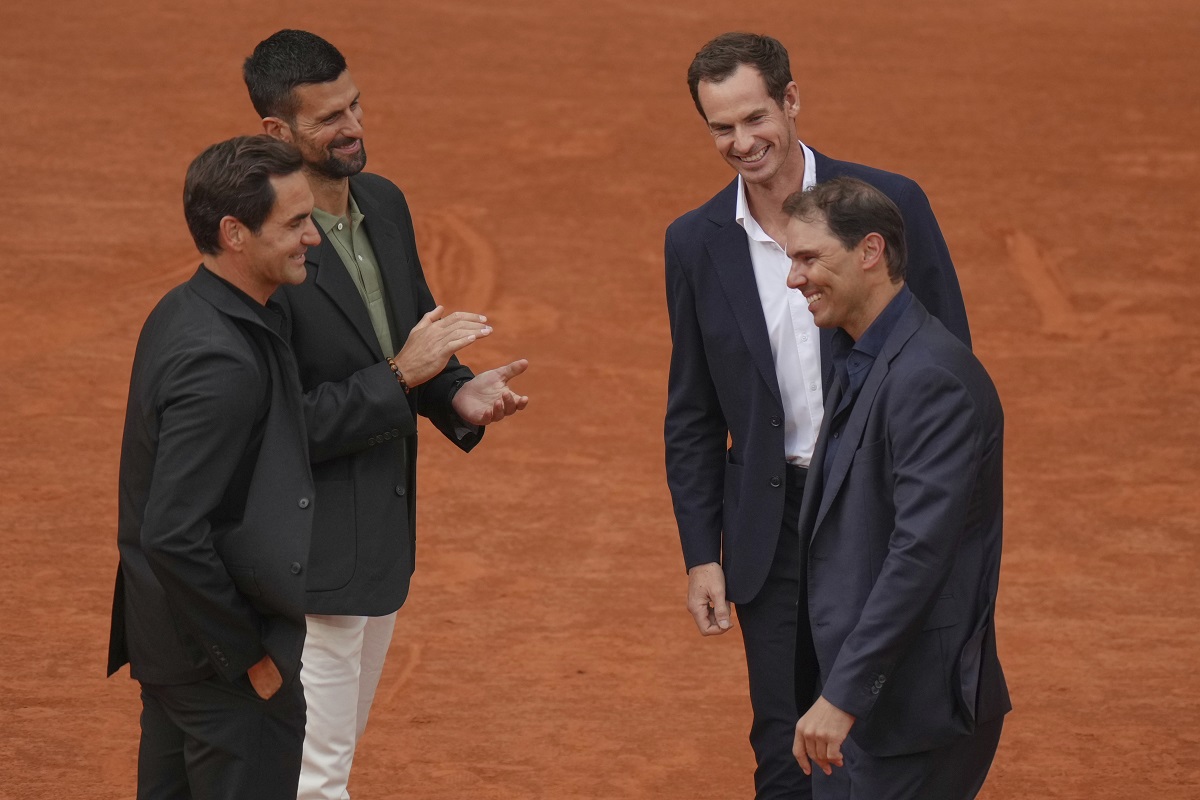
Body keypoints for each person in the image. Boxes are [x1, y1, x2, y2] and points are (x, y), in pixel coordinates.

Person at [663, 32, 972, 799]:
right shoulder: (695, 242)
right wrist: (702, 553)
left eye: (755, 118)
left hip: (876, 511)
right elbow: (694, 411)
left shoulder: (888, 205)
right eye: (721, 128)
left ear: (792, 100)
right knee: (783, 750)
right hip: (771, 527)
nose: (742, 142)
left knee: (882, 732)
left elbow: (947, 365)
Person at [242, 30, 529, 799]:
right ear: (277, 131)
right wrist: (403, 374)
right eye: (329, 118)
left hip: (377, 545)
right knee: (315, 779)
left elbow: (409, 337)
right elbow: (278, 427)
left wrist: (455, 393)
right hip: (309, 558)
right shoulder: (265, 248)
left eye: (355, 105)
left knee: (321, 765)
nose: (354, 128)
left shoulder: (384, 204)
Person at [106, 134, 321, 798]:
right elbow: (172, 531)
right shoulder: (221, 361)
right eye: (295, 222)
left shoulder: (184, 308)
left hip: (172, 654)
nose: (312, 237)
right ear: (234, 233)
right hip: (220, 670)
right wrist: (248, 657)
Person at [784, 177, 1009, 798]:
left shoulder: (930, 379)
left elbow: (919, 554)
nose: (794, 279)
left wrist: (844, 695)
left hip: (909, 718)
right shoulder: (860, 357)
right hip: (859, 710)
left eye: (809, 258)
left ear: (870, 251)